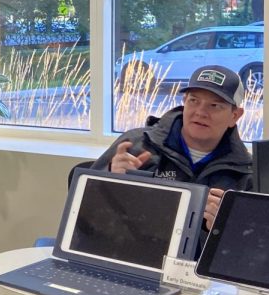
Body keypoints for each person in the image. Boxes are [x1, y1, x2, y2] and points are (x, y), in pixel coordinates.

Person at [91, 64, 253, 231]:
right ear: (184, 102)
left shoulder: (246, 174)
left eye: (214, 106)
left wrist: (227, 232)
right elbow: (84, 217)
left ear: (235, 116)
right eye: (193, 101)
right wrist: (108, 179)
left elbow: (256, 245)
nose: (200, 112)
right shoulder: (136, 144)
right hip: (129, 252)